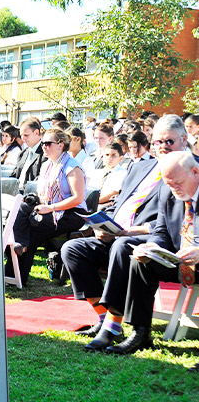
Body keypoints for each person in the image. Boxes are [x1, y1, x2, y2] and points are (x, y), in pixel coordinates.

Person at [62, 114, 189, 351]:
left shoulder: (188, 170)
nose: (162, 147)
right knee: (72, 248)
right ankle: (103, 318)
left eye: (169, 142)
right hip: (119, 233)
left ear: (184, 139)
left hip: (145, 237)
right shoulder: (141, 166)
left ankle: (113, 325)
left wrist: (127, 233)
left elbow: (169, 223)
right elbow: (121, 203)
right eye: (157, 142)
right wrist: (104, 226)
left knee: (124, 247)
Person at [110, 151, 199, 362]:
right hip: (179, 259)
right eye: (168, 184)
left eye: (177, 183)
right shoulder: (168, 193)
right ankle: (140, 332)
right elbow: (161, 232)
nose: (172, 189)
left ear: (195, 172)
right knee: (140, 262)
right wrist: (151, 247)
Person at [10, 128, 87, 286]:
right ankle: (16, 271)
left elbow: (78, 198)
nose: (44, 146)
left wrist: (51, 208)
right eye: (43, 143)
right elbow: (45, 195)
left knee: (28, 228)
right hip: (50, 209)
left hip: (72, 214)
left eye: (48, 143)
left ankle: (16, 268)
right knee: (23, 212)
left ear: (61, 144)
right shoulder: (47, 166)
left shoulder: (72, 167)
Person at [10, 117, 46, 191]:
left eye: (26, 135)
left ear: (36, 132)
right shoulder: (22, 154)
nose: (23, 138)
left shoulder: (46, 152)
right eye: (21, 135)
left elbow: (42, 178)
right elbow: (15, 175)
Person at [91, 142, 128, 208]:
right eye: (107, 155)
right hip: (91, 204)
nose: (109, 158)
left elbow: (115, 192)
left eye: (113, 155)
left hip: (108, 206)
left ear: (120, 158)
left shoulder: (123, 174)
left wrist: (95, 201)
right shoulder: (97, 173)